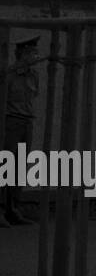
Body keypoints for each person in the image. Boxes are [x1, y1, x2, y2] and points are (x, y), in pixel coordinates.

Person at [1, 37, 40, 228]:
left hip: (27, 123)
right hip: (11, 122)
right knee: (5, 165)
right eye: (32, 52)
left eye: (36, 52)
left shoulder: (34, 75)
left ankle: (13, 209)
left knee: (20, 168)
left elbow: (33, 97)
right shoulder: (9, 74)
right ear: (23, 54)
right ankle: (1, 210)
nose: (36, 56)